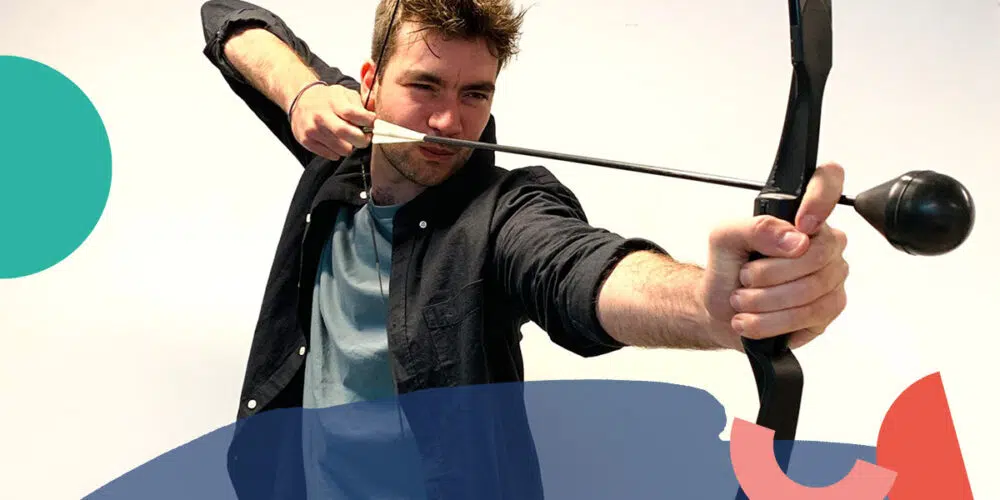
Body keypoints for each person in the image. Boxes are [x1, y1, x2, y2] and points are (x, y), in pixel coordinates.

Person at [199, 0, 850, 498]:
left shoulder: (504, 211)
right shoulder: (339, 148)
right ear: (369, 85)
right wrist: (302, 92)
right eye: (424, 86)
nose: (449, 122)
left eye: (474, 93)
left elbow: (575, 269)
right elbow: (228, 20)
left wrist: (714, 307)